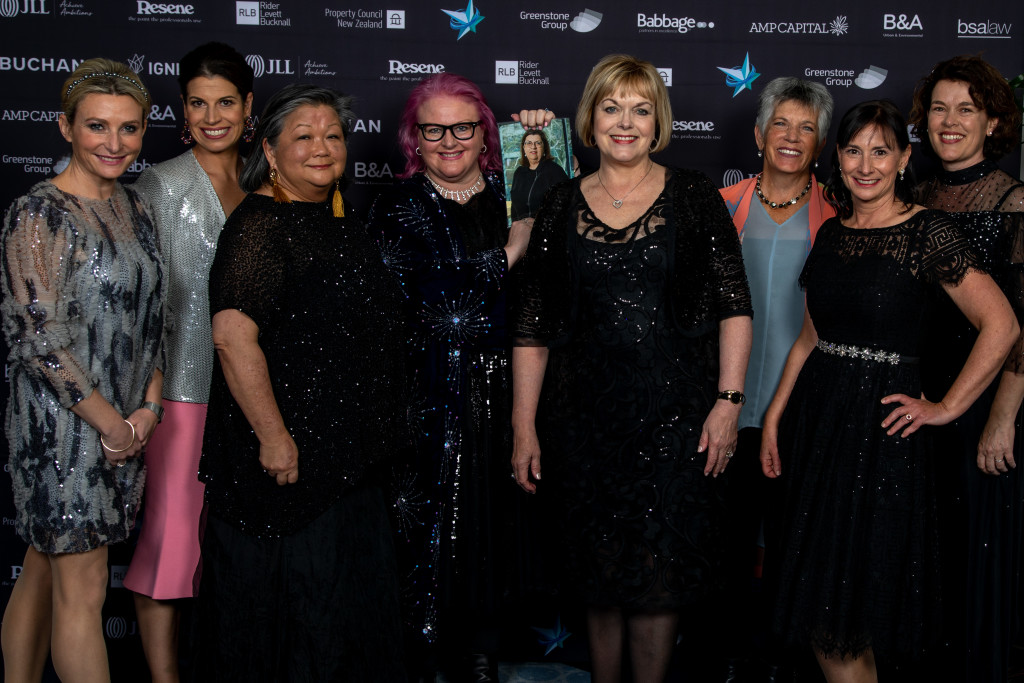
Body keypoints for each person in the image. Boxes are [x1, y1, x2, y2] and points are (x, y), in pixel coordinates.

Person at [511, 54, 753, 683]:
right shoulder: (559, 203)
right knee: (598, 576)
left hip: (675, 427)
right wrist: (523, 426)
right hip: (581, 427)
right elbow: (532, 326)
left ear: (658, 122)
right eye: (611, 107)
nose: (625, 122)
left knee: (658, 577)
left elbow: (735, 305)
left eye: (640, 109)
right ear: (590, 120)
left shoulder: (694, 196)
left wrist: (728, 403)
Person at [760, 100, 1018, 683]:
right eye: (854, 151)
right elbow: (809, 338)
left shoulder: (928, 231)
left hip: (881, 437)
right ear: (838, 157)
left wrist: (947, 407)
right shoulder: (831, 232)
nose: (865, 165)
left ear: (903, 159)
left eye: (881, 151)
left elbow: (1002, 325)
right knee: (820, 601)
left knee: (849, 610)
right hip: (818, 427)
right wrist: (775, 416)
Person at [187, 83, 407, 682]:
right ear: (270, 150)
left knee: (339, 616)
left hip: (347, 460)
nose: (321, 148)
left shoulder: (336, 216)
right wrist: (273, 437)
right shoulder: (259, 227)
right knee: (294, 616)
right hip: (289, 468)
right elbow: (232, 338)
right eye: (304, 137)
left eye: (333, 135)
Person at [367, 74, 551, 682]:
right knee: (428, 520)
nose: (449, 141)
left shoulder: (511, 194)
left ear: (485, 132)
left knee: (493, 517)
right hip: (427, 391)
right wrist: (507, 255)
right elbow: (428, 303)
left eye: (463, 127)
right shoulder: (396, 206)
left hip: (512, 388)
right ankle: (422, 647)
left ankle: (481, 648)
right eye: (434, 130)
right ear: (414, 138)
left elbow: (558, 269)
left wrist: (543, 133)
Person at [0, 58, 164, 683]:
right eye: (97, 126)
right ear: (66, 127)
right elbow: (38, 340)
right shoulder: (38, 213)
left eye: (129, 128)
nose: (114, 143)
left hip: (125, 421)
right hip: (61, 428)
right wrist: (113, 426)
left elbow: (156, 320)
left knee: (44, 568)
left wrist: (148, 408)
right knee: (84, 586)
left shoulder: (137, 206)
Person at [124, 42, 254, 683]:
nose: (212, 117)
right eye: (198, 104)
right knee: (170, 546)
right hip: (182, 389)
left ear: (248, 105)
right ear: (182, 109)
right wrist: (150, 396)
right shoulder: (159, 184)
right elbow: (140, 304)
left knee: (236, 550)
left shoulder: (266, 178)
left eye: (225, 102)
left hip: (254, 392)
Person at [908, 54, 1024, 683]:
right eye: (939, 108)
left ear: (993, 121)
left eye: (966, 109)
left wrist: (1001, 419)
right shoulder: (913, 197)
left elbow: (1021, 327)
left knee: (971, 552)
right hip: (916, 399)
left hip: (981, 404)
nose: (949, 122)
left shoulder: (1014, 201)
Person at [718, 76, 834, 679]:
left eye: (806, 127)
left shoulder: (841, 217)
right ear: (760, 134)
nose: (791, 137)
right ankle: (729, 656)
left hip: (799, 410)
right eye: (781, 124)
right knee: (728, 542)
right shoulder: (721, 206)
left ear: (821, 144)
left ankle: (782, 660)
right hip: (728, 404)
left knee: (793, 544)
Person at [510, 129, 568, 220]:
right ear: (524, 147)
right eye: (529, 143)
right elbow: (514, 207)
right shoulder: (519, 173)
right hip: (521, 227)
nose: (533, 147)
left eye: (538, 143)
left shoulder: (555, 171)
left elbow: (566, 204)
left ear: (544, 147)